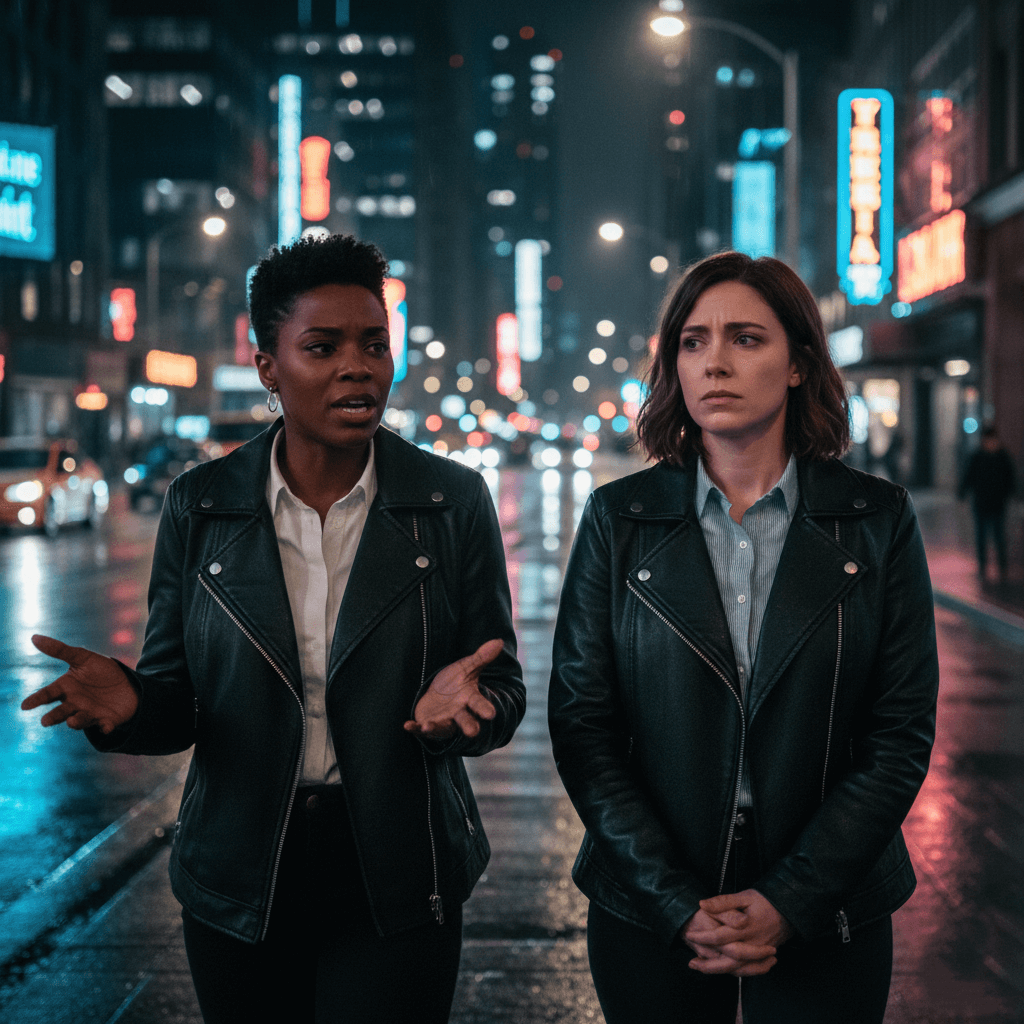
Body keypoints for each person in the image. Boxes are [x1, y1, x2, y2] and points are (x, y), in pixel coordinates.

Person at [21, 233, 525, 1024]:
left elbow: (500, 683)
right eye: (322, 347)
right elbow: (180, 704)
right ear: (268, 367)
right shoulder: (202, 504)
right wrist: (128, 708)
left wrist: (465, 713)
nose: (357, 366)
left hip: (397, 867)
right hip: (240, 869)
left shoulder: (450, 501)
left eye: (373, 344)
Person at [548, 251, 939, 1023]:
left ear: (798, 363)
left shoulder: (875, 519)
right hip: (651, 902)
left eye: (745, 339)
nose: (713, 362)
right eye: (692, 341)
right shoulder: (619, 520)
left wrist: (789, 900)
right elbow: (584, 726)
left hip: (830, 907)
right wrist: (674, 901)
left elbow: (899, 736)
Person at [958, 425, 1016, 581]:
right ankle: (982, 566)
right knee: (981, 537)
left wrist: (1015, 496)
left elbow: (1011, 479)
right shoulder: (977, 456)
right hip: (981, 504)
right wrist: (962, 494)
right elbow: (968, 476)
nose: (990, 443)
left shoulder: (1003, 457)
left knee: (999, 537)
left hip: (997, 504)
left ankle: (1002, 567)